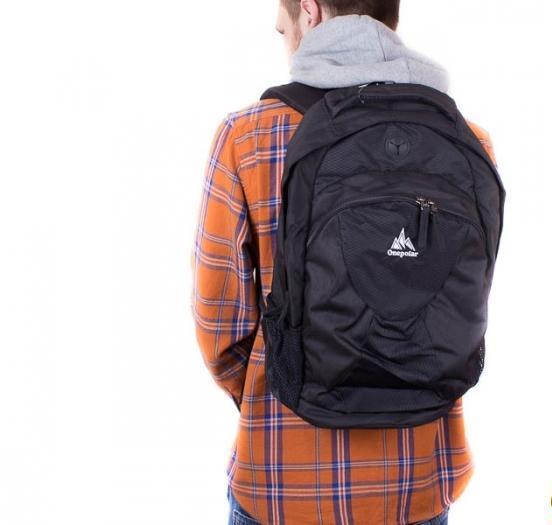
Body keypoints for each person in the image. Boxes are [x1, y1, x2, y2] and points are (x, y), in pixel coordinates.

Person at [192, 1, 498, 523]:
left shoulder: (249, 136)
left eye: (283, 30)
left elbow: (219, 321)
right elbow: (461, 306)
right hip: (417, 481)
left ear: (309, 12)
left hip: (281, 479)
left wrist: (283, 380)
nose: (286, 45)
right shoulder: (467, 141)